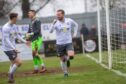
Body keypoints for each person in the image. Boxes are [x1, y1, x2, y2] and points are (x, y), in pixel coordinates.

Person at [50, 9, 78, 77]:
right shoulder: (56, 23)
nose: (58, 16)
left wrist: (75, 33)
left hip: (68, 42)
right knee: (62, 60)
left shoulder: (69, 20)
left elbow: (76, 25)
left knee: (71, 55)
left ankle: (67, 59)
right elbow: (50, 31)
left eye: (59, 15)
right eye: (57, 15)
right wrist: (52, 24)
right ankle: (65, 73)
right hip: (59, 44)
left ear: (63, 14)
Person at [2, 13, 27, 83]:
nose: (17, 19)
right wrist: (13, 48)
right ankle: (10, 74)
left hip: (13, 47)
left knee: (13, 63)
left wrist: (25, 41)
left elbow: (17, 36)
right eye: (17, 18)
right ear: (13, 18)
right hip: (8, 48)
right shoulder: (5, 27)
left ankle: (11, 79)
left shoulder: (14, 26)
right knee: (19, 62)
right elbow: (6, 40)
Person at [27, 10, 46, 74]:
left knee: (35, 53)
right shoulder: (30, 21)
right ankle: (36, 69)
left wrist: (30, 34)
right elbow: (29, 31)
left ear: (34, 13)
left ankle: (43, 67)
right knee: (33, 54)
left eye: (29, 13)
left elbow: (38, 30)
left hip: (38, 39)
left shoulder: (37, 20)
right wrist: (27, 38)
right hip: (33, 39)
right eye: (28, 13)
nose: (28, 14)